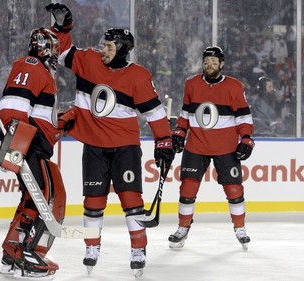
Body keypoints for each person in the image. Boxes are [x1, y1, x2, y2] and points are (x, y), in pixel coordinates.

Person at [45, 2, 175, 276]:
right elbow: (63, 50)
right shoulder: (89, 60)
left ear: (123, 49)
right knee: (93, 202)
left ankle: (138, 249)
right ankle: (92, 247)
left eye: (109, 46)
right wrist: (62, 27)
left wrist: (164, 141)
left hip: (125, 148)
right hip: (93, 147)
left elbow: (154, 112)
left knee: (132, 201)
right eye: (103, 45)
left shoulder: (138, 76)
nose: (103, 50)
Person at [0, 27, 75, 278]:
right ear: (45, 47)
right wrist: (18, 143)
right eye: (55, 47)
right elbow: (12, 107)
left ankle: (12, 253)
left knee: (34, 199)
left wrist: (60, 123)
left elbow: (38, 115)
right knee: (44, 199)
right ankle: (28, 255)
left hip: (31, 143)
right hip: (27, 143)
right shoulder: (31, 65)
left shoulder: (42, 72)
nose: (57, 53)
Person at [168, 46, 255, 250]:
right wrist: (180, 132)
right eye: (206, 61)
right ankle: (183, 227)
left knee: (234, 190)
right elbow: (185, 114)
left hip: (226, 147)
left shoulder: (234, 86)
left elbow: (243, 117)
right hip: (196, 145)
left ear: (221, 64)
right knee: (187, 189)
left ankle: (240, 229)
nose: (209, 65)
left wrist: (247, 139)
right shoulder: (191, 84)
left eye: (214, 62)